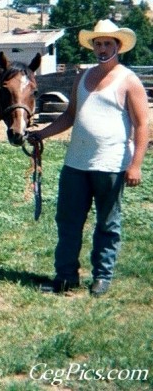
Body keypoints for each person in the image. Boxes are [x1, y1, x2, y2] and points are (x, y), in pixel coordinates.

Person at [30, 20, 149, 296]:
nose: (103, 48)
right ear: (93, 46)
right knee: (68, 221)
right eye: (98, 43)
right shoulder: (82, 77)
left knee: (107, 223)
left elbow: (143, 125)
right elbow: (71, 115)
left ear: (118, 46)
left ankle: (102, 277)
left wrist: (136, 165)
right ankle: (65, 276)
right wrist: (41, 134)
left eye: (108, 43)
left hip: (111, 165)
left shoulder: (128, 80)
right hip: (76, 164)